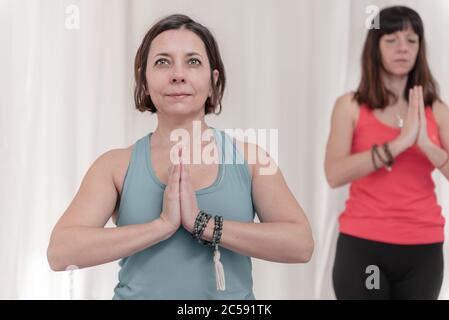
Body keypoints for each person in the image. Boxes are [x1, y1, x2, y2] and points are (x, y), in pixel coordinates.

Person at [47, 14, 314, 299]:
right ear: (144, 79)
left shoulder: (250, 158)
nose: (178, 74)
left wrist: (203, 224)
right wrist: (161, 226)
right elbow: (61, 252)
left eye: (193, 61)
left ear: (213, 81)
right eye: (162, 62)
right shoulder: (114, 165)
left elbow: (301, 245)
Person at [325, 6, 449, 300]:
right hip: (364, 244)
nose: (403, 48)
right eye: (391, 39)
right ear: (375, 47)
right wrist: (399, 144)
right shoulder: (350, 106)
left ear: (420, 48)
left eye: (411, 40)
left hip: (423, 246)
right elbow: (334, 174)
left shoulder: (437, 110)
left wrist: (427, 146)